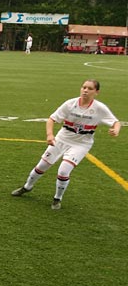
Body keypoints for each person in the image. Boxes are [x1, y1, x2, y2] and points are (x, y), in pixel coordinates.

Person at [11, 79, 120, 210]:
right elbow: (52, 119)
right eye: (84, 87)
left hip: (81, 144)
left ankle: (57, 199)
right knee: (42, 165)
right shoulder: (70, 104)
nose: (85, 90)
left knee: (63, 170)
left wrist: (116, 130)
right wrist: (50, 135)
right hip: (61, 139)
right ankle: (27, 187)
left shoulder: (99, 108)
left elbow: (116, 122)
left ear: (97, 92)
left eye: (90, 88)